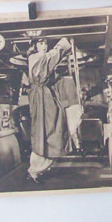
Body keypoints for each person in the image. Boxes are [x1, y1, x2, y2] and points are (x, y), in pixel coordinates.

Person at [26, 36, 72, 184]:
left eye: (45, 43)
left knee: (50, 129)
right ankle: (34, 170)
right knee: (45, 130)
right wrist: (62, 44)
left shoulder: (40, 58)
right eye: (40, 43)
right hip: (41, 97)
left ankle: (38, 169)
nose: (44, 46)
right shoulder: (36, 57)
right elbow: (51, 58)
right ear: (34, 46)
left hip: (44, 95)